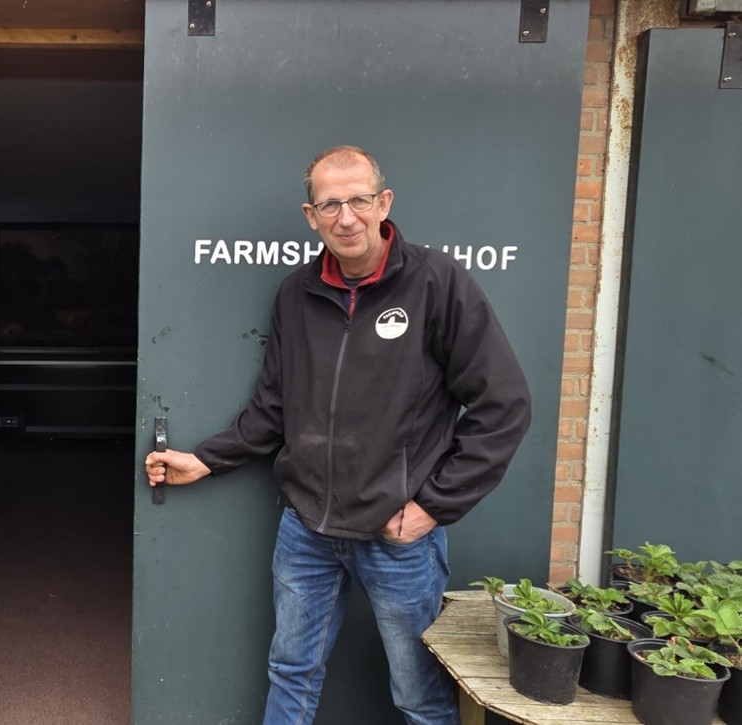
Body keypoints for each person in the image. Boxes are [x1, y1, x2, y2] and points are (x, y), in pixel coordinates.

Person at [144, 145, 531, 725]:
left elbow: (503, 405)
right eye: (330, 204)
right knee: (290, 674)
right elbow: (274, 406)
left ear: (383, 203)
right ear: (311, 215)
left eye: (358, 200)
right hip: (306, 531)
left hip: (396, 536)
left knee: (420, 694)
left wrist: (434, 505)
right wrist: (205, 459)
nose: (345, 217)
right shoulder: (296, 295)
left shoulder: (438, 284)